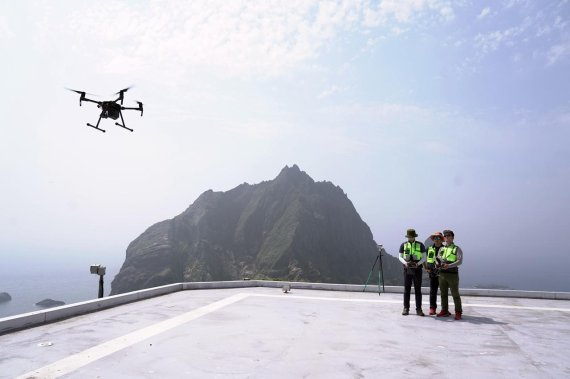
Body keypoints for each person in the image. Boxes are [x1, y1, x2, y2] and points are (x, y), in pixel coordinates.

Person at [436, 229, 464, 320]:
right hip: (442, 274)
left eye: (449, 236)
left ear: (452, 238)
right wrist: (438, 263)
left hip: (452, 275)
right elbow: (438, 258)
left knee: (455, 294)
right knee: (443, 294)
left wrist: (449, 265)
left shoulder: (457, 248)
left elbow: (459, 261)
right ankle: (444, 310)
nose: (447, 238)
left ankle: (458, 312)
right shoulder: (442, 248)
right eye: (445, 236)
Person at [398, 228, 426, 316]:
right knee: (407, 289)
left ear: (414, 236)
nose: (410, 238)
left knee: (418, 290)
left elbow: (424, 257)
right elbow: (400, 257)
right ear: (407, 237)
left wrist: (418, 264)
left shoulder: (420, 245)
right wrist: (406, 263)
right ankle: (406, 308)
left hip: (417, 270)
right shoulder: (403, 245)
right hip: (407, 270)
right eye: (409, 236)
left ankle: (419, 309)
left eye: (412, 236)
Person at [425, 232, 445, 315]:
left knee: (444, 292)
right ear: (433, 239)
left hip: (443, 273)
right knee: (433, 291)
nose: (437, 240)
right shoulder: (429, 249)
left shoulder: (445, 249)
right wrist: (425, 268)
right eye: (435, 238)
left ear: (441, 239)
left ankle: (444, 309)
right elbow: (423, 258)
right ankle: (432, 308)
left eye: (439, 238)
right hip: (432, 273)